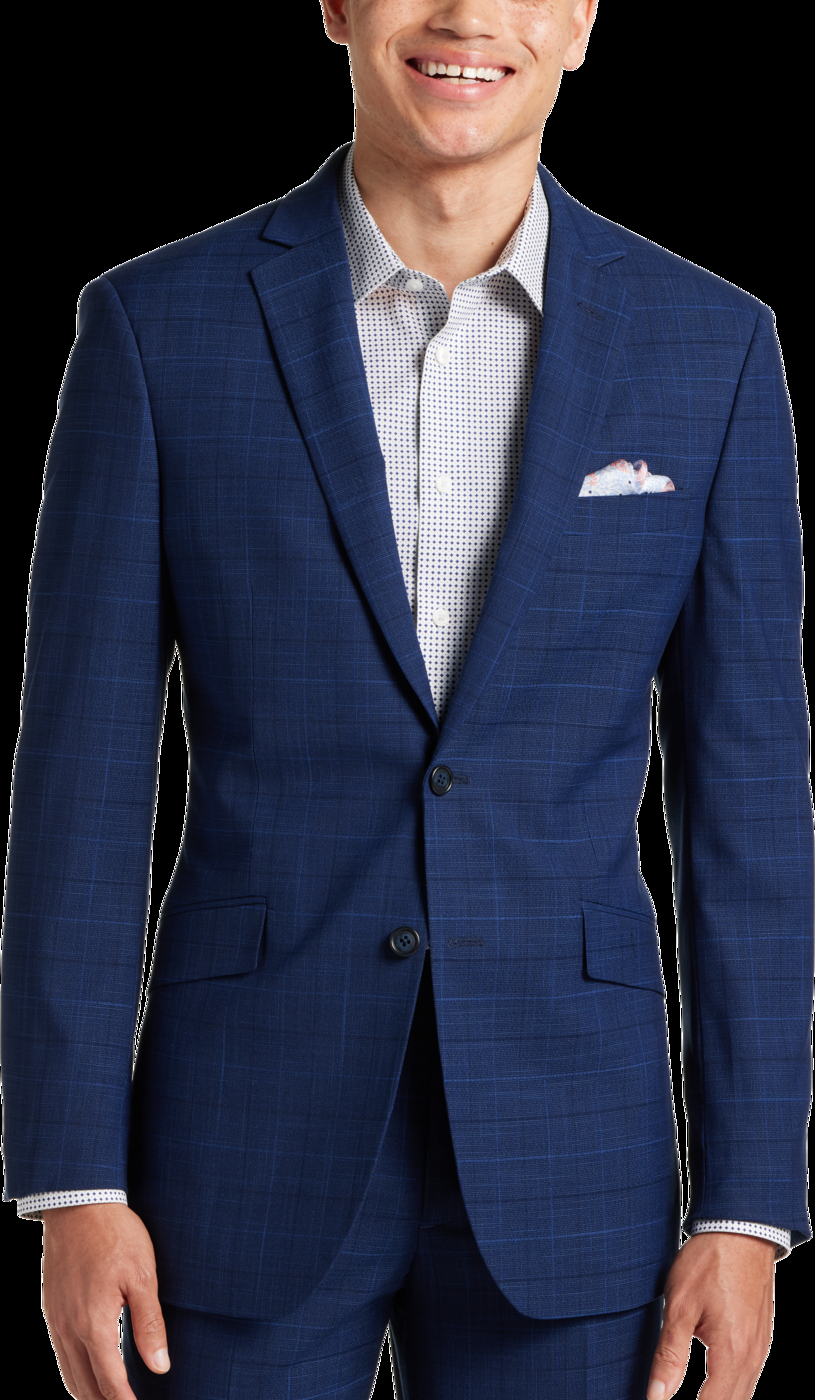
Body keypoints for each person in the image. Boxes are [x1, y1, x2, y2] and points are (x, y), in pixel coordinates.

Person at [2, 2, 811, 1397]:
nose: (466, 17)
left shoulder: (710, 347)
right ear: (336, 7)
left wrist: (747, 1202)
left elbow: (748, 808)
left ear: (580, 21)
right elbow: (80, 786)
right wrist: (73, 1178)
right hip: (239, 1139)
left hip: (576, 1148)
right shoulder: (157, 327)